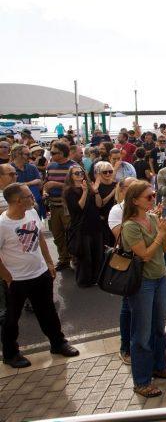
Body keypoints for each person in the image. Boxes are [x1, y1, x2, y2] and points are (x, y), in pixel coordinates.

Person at [0, 183, 79, 368]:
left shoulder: (32, 212)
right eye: (29, 196)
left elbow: (40, 237)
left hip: (40, 274)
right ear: (18, 201)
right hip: (16, 281)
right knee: (11, 319)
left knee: (48, 312)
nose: (34, 198)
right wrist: (7, 277)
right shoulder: (3, 225)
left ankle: (58, 343)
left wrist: (49, 262)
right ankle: (11, 354)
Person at [121, 181, 166, 397]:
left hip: (159, 278)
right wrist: (161, 233)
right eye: (149, 196)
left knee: (159, 328)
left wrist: (165, 232)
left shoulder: (153, 218)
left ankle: (160, 366)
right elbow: (144, 255)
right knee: (142, 334)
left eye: (154, 194)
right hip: (142, 283)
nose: (153, 198)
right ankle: (142, 381)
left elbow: (164, 249)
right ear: (135, 200)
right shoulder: (130, 226)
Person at [108, 177, 137, 364]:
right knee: (128, 306)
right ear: (124, 190)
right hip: (129, 264)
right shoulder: (117, 211)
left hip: (149, 263)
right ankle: (125, 347)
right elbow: (124, 239)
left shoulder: (147, 207)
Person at [63, 165, 104, 288]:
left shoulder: (90, 186)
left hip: (95, 224)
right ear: (71, 176)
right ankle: (84, 280)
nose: (80, 175)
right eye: (76, 173)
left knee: (97, 253)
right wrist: (85, 192)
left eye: (81, 172)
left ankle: (96, 278)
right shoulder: (69, 191)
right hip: (81, 227)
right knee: (85, 256)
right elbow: (77, 209)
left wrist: (95, 191)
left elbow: (99, 205)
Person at [45, 141, 76, 271]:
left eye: (53, 153)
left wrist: (56, 185)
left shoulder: (73, 167)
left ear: (62, 153)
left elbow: (77, 186)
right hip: (53, 205)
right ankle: (63, 259)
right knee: (57, 235)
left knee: (70, 234)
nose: (51, 155)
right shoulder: (51, 166)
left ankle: (75, 259)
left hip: (67, 207)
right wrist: (45, 191)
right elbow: (47, 182)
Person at [11, 145, 43, 218]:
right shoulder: (9, 169)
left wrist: (25, 184)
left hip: (35, 204)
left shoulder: (32, 167)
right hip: (18, 205)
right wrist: (32, 183)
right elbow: (10, 186)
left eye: (30, 154)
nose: (30, 156)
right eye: (27, 154)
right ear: (17, 155)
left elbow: (39, 181)